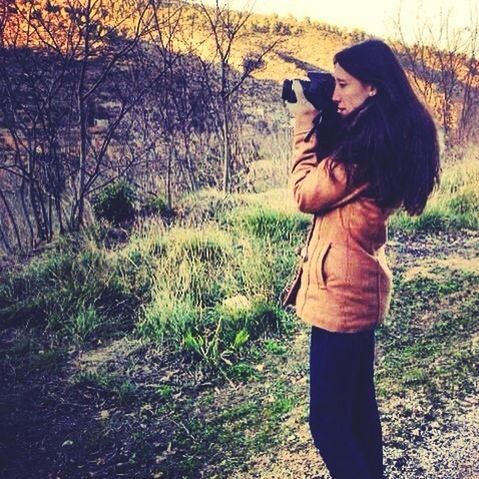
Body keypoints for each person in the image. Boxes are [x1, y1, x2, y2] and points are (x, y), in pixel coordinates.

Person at [282, 39, 440, 479]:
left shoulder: (362, 153)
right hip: (358, 287)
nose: (334, 95)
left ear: (373, 87)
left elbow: (304, 193)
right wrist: (328, 115)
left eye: (342, 85)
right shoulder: (384, 133)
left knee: (328, 422)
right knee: (357, 410)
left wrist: (303, 123)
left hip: (341, 297)